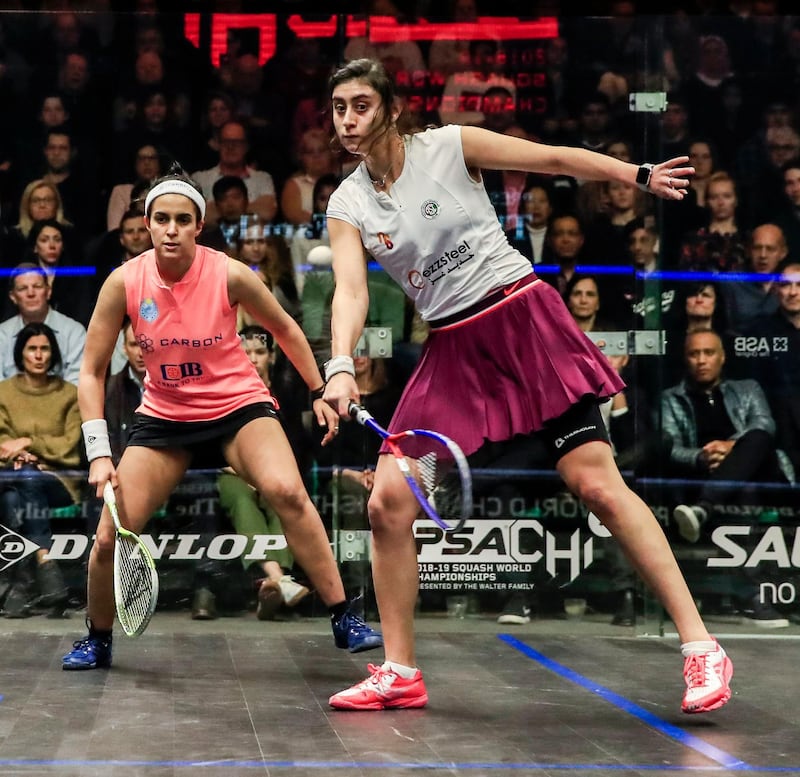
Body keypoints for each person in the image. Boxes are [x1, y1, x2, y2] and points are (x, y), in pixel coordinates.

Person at [322, 58, 732, 714]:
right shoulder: (347, 202)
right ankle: (400, 669)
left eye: (361, 104)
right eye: (339, 107)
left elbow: (553, 158)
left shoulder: (451, 145)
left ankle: (701, 647)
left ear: (392, 109)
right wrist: (340, 360)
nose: (348, 119)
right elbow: (349, 287)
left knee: (597, 485)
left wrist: (636, 174)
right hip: (453, 349)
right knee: (387, 504)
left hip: (523, 319)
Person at [61, 167, 382, 670]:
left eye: (182, 220)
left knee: (288, 491)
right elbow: (90, 371)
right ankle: (97, 639)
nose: (171, 229)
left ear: (198, 224)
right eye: (161, 219)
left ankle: (344, 615)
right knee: (110, 533)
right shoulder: (123, 282)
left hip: (237, 406)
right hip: (164, 417)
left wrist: (320, 389)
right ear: (147, 224)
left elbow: (285, 330)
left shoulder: (230, 273)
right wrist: (100, 452)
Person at [662, 329, 792, 628]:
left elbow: (764, 425)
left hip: (761, 474)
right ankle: (751, 598)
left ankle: (704, 508)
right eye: (694, 354)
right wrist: (701, 456)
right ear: (686, 359)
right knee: (742, 491)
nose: (702, 360)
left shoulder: (747, 388)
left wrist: (731, 447)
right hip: (709, 476)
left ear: (722, 357)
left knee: (758, 437)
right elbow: (671, 447)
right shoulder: (671, 398)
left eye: (708, 353)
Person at [217, 325, 310, 621]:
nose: (253, 359)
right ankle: (280, 579)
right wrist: (245, 472)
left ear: (271, 356)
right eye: (246, 353)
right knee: (243, 500)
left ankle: (271, 583)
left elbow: (296, 446)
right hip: (232, 473)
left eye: (259, 352)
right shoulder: (221, 391)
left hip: (272, 472)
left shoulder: (286, 396)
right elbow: (212, 444)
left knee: (279, 498)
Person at [0, 322, 81, 617]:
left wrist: (28, 444)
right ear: (20, 353)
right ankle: (33, 582)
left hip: (59, 482)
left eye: (44, 348)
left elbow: (70, 444)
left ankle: (26, 581)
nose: (38, 355)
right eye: (32, 348)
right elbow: (1, 445)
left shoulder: (70, 394)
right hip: (14, 479)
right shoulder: (3, 393)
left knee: (25, 480)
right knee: (12, 497)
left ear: (53, 353)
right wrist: (21, 455)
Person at [0, 264, 86, 384]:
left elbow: (76, 385)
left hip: (61, 402)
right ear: (13, 297)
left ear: (48, 291)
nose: (31, 293)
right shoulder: (2, 334)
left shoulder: (74, 333)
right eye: (23, 288)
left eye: (37, 286)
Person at [192, 120, 277, 226]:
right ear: (218, 145)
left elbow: (266, 212)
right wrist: (249, 207)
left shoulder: (262, 179)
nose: (230, 147)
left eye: (237, 142)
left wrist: (216, 208)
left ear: (246, 146)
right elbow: (196, 217)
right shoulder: (200, 179)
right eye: (225, 142)